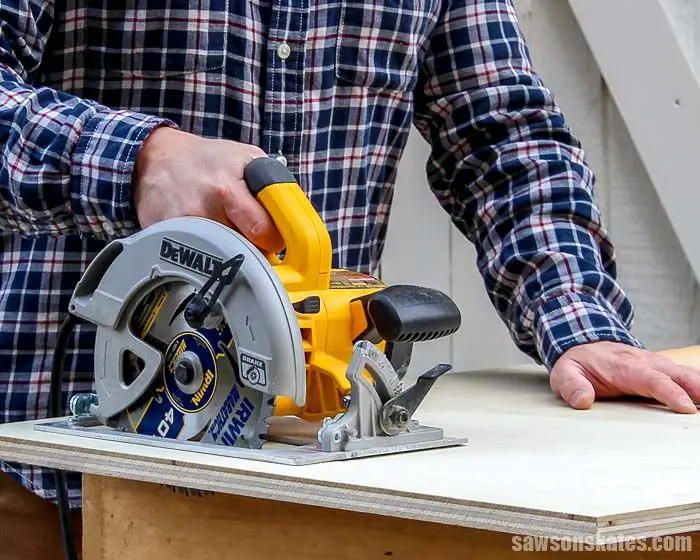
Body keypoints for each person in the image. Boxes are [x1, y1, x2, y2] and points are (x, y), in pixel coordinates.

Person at [2, 0, 700, 556]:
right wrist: (139, 160)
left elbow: (503, 141)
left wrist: (577, 322)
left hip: (310, 478)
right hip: (33, 466)